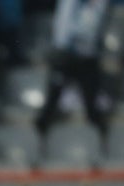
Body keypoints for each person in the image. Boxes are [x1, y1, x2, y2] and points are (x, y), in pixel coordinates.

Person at [35, 0, 110, 135]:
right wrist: (63, 48)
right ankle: (39, 136)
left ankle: (100, 138)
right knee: (52, 99)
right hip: (67, 55)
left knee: (92, 102)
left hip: (88, 56)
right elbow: (63, 24)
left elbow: (97, 25)